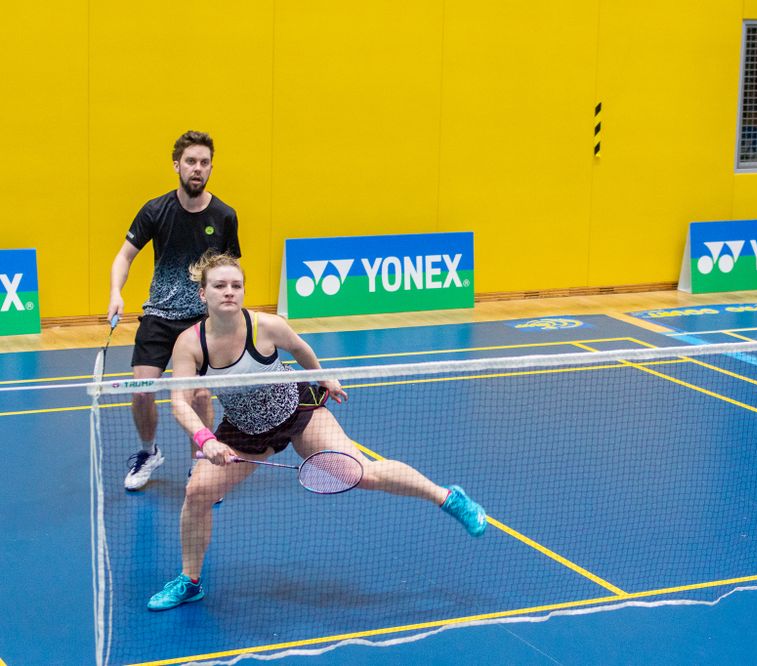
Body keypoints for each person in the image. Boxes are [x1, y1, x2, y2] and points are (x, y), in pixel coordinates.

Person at [147, 253, 487, 611]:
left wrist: (323, 376)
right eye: (219, 286)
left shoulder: (267, 326)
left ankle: (448, 498)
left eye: (236, 285)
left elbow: (300, 348)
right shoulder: (190, 344)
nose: (229, 291)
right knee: (198, 492)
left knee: (362, 473)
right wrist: (207, 440)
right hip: (244, 431)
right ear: (203, 294)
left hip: (297, 412)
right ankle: (190, 581)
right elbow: (180, 402)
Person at [108, 131, 241, 491]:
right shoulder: (155, 210)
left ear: (211, 167)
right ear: (176, 165)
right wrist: (116, 293)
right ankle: (148, 451)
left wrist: (230, 310)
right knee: (141, 391)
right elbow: (124, 256)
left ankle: (201, 461)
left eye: (204, 162)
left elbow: (230, 270)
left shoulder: (224, 216)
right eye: (191, 161)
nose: (197, 168)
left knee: (199, 395)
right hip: (159, 315)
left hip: (201, 320)